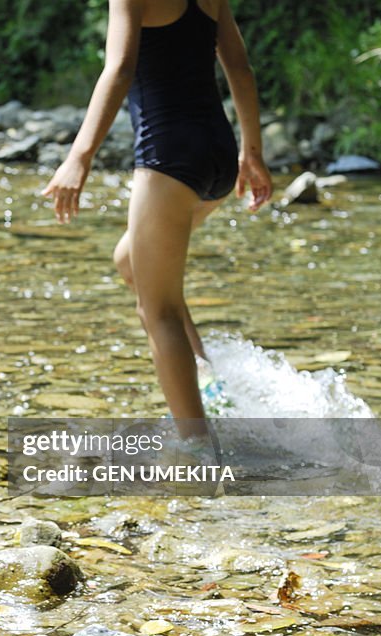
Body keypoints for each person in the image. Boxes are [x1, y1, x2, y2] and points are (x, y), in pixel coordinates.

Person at [42, 0, 272, 432]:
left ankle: (195, 451)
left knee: (158, 310)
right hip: (218, 155)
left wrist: (79, 157)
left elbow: (119, 68)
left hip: (169, 159)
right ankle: (207, 385)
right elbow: (239, 68)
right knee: (130, 260)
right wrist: (252, 152)